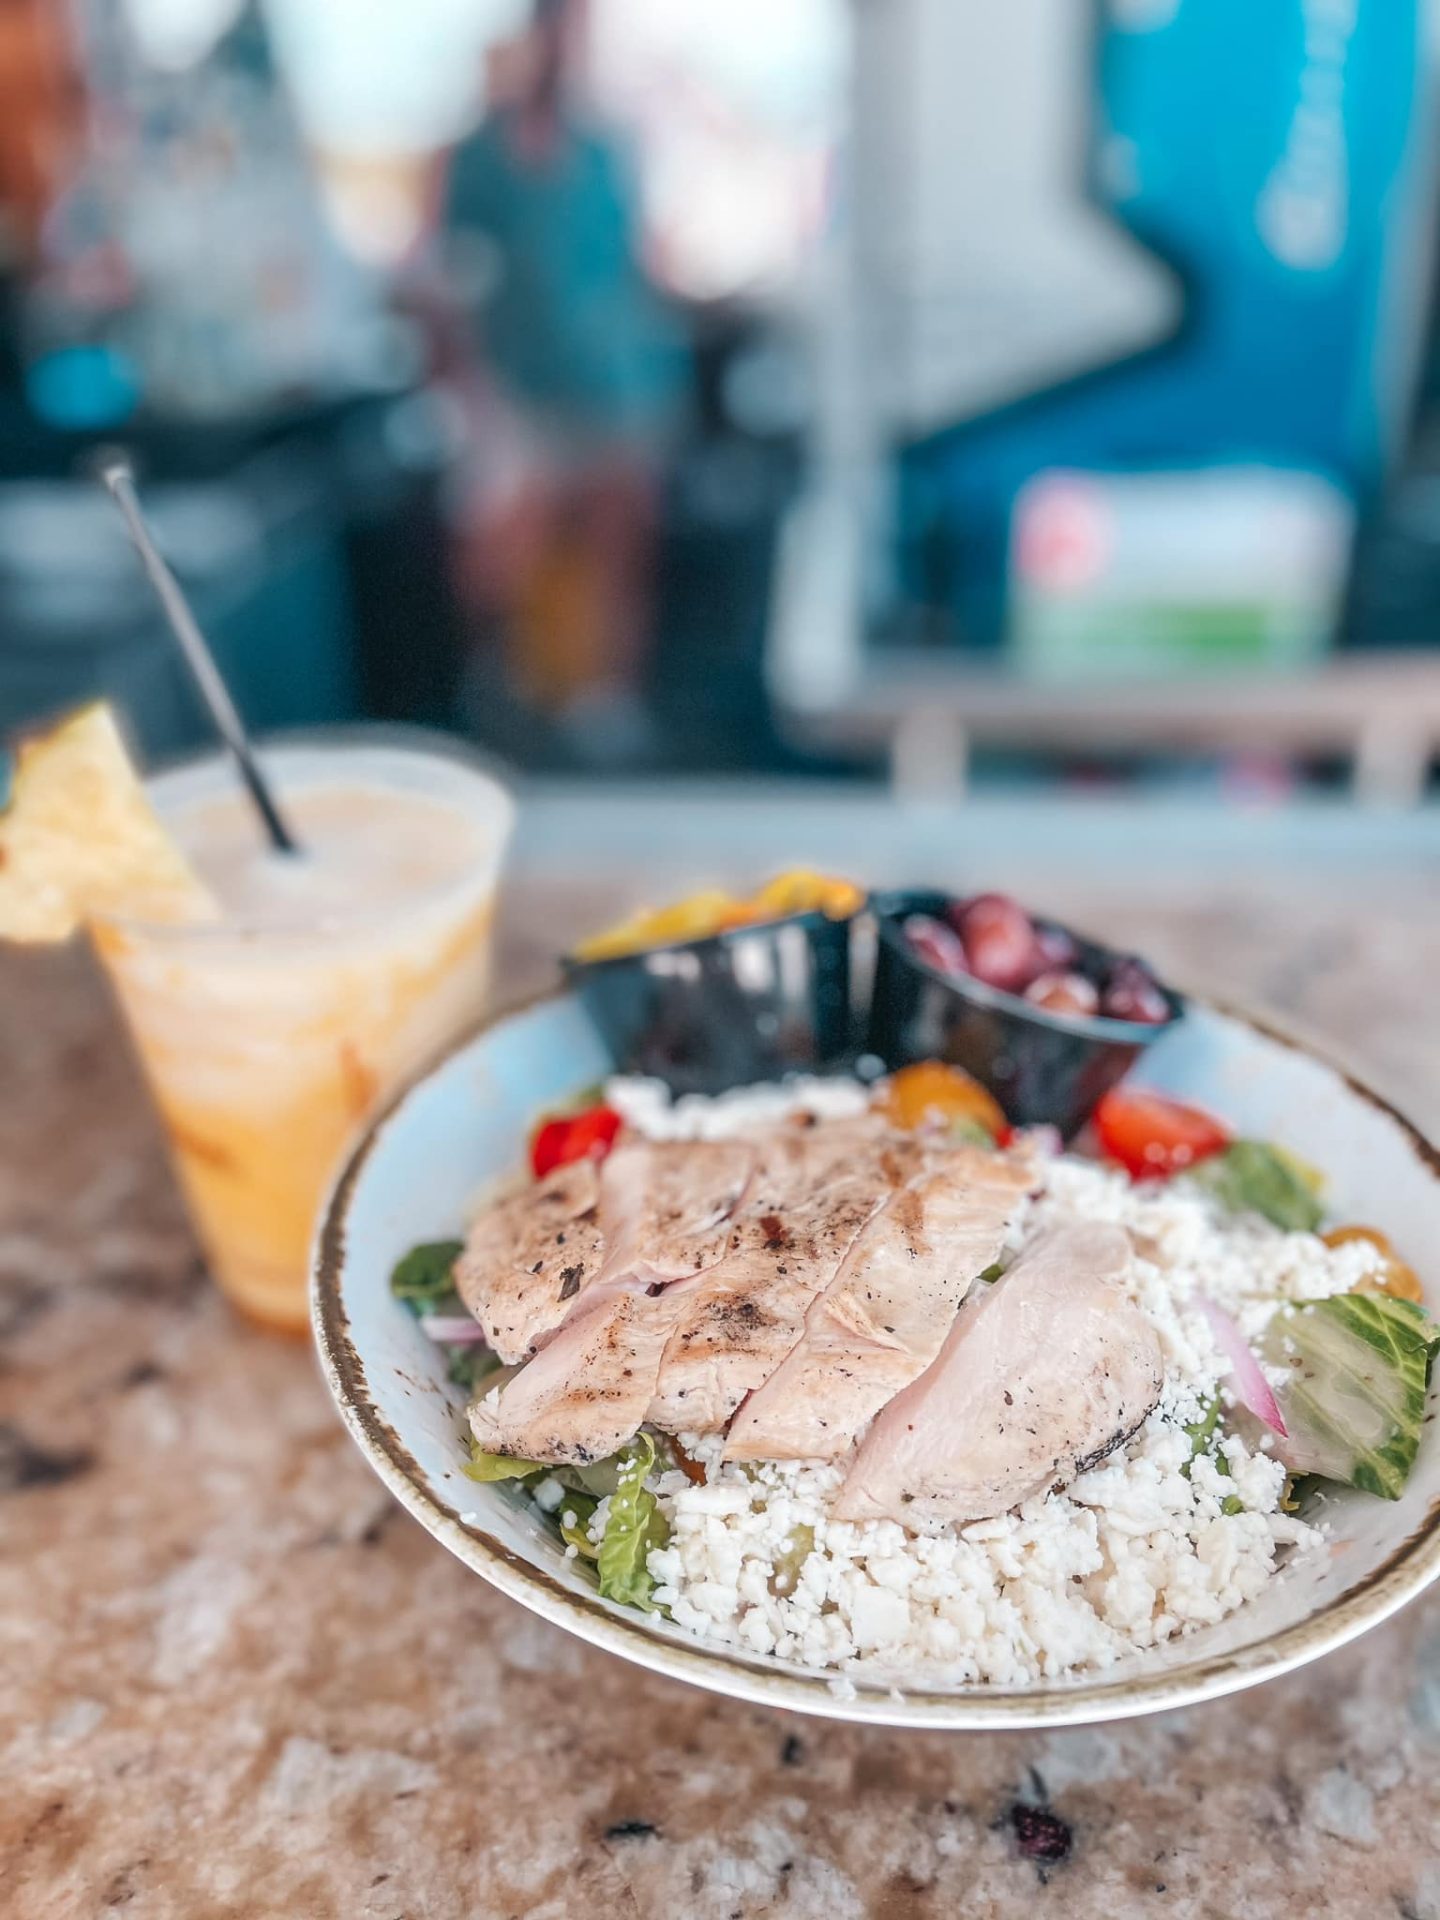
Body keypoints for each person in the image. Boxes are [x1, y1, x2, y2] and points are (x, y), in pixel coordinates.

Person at [440, 0, 686, 759]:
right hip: (524, 393)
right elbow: (447, 281)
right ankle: (502, 693)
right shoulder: (478, 155)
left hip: (620, 386)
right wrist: (470, 392)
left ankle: (609, 702)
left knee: (619, 546)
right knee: (503, 549)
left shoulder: (609, 148)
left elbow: (641, 266)